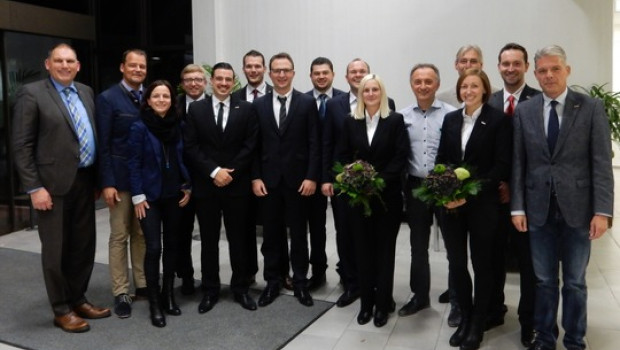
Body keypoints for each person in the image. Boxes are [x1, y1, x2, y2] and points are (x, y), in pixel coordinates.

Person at [511, 45, 613, 350]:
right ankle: (544, 338)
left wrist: (603, 211)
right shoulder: (524, 111)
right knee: (543, 281)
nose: (549, 75)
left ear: (567, 70)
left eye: (555, 69)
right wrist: (517, 207)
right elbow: (519, 163)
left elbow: (601, 163)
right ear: (535, 73)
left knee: (575, 282)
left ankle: (574, 339)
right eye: (542, 70)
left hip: (578, 211)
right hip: (538, 210)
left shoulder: (590, 107)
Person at [12, 43, 111, 333]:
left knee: (82, 246)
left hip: (84, 181)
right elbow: (21, 145)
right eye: (59, 60)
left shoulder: (86, 91)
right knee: (56, 250)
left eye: (70, 61)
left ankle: (78, 298)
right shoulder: (32, 94)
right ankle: (61, 308)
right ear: (48, 64)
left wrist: (97, 180)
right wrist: (34, 188)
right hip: (51, 186)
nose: (65, 65)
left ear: (78, 65)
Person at [436, 68, 511, 350]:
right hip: (451, 205)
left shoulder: (498, 121)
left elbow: (502, 165)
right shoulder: (451, 119)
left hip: (483, 206)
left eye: (474, 86)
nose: (469, 90)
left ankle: (478, 322)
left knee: (482, 265)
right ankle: (465, 316)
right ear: (459, 91)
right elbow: (442, 158)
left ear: (484, 90)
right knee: (456, 263)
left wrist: (469, 191)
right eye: (464, 86)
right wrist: (446, 190)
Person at [184, 62, 259, 313]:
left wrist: (229, 173)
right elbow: (191, 146)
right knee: (209, 240)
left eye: (228, 79)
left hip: (236, 186)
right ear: (211, 81)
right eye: (219, 79)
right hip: (207, 186)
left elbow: (250, 146)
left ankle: (240, 289)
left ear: (233, 82)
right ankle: (210, 289)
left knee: (238, 240)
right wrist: (215, 172)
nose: (224, 83)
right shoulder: (196, 109)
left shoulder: (246, 109)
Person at [334, 74, 408, 328]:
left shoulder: (395, 120)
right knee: (363, 252)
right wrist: (355, 178)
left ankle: (383, 304)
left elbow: (400, 158)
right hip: (358, 200)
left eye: (375, 89)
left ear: (382, 92)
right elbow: (342, 155)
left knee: (384, 253)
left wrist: (376, 181)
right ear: (360, 94)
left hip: (386, 199)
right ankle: (366, 304)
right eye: (366, 90)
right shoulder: (350, 121)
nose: (371, 94)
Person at [321, 58, 395, 308]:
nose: (357, 75)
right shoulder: (334, 106)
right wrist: (332, 177)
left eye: (361, 71)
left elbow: (395, 151)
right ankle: (353, 284)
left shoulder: (389, 108)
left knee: (376, 240)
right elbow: (329, 145)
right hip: (347, 185)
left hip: (381, 190)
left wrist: (377, 180)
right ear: (347, 77)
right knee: (347, 234)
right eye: (353, 72)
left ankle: (379, 288)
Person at [251, 52, 320, 307]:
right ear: (270, 74)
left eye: (286, 70)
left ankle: (300, 282)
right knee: (271, 235)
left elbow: (314, 143)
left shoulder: (306, 103)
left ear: (293, 73)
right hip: (267, 182)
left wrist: (312, 176)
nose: (281, 75)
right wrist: (255, 177)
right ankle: (272, 282)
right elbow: (254, 146)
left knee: (299, 235)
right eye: (277, 71)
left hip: (299, 182)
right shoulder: (258, 105)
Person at [487, 42, 540, 347]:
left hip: (528, 199)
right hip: (493, 198)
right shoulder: (489, 101)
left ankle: (528, 322)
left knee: (528, 265)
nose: (510, 69)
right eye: (505, 64)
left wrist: (514, 186)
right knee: (491, 258)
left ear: (525, 67)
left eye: (516, 63)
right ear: (498, 67)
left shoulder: (538, 100)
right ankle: (494, 309)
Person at [127, 80, 191, 327]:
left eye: (166, 96)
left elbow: (185, 159)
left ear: (172, 101)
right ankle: (154, 302)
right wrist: (137, 195)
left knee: (173, 246)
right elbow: (132, 164)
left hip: (175, 195)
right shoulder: (139, 127)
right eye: (157, 96)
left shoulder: (179, 126)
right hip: (149, 198)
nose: (162, 100)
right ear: (149, 100)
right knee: (154, 248)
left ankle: (168, 296)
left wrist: (188, 185)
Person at [398, 64, 456, 319]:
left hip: (445, 186)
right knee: (417, 245)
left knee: (454, 245)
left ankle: (457, 296)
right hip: (416, 187)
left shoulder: (452, 114)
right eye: (418, 81)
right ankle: (419, 295)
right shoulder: (402, 116)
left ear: (437, 84)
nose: (423, 86)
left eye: (428, 81)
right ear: (411, 84)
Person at [96, 49, 148, 318]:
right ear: (122, 67)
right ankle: (121, 291)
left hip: (144, 181)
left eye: (142, 66)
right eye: (133, 65)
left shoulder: (149, 97)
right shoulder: (108, 99)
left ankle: (142, 285)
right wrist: (107, 182)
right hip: (119, 181)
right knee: (119, 236)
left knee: (141, 234)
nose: (138, 70)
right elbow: (102, 145)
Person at [304, 56, 345, 291]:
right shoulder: (301, 101)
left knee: (343, 226)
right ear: (310, 76)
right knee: (316, 227)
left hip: (340, 175)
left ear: (332, 74)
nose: (321, 76)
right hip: (311, 175)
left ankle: (346, 270)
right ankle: (318, 271)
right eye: (316, 73)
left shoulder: (344, 100)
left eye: (325, 72)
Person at [175, 63, 208, 295]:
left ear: (205, 82)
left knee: (209, 232)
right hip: (181, 181)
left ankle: (210, 280)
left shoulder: (215, 105)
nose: (194, 83)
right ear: (182, 84)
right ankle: (186, 276)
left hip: (208, 180)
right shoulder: (172, 105)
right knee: (182, 232)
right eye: (189, 80)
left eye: (198, 79)